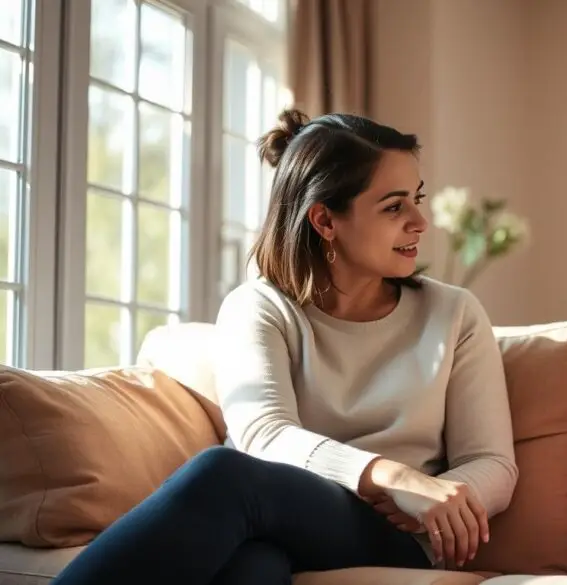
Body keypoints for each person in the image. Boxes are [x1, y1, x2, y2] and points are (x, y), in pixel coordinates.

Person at [52, 109, 518, 585]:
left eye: (416, 200)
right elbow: (267, 434)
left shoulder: (453, 313)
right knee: (252, 566)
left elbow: (493, 462)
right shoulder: (259, 306)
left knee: (223, 474)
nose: (421, 222)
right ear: (325, 221)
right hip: (268, 520)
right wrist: (395, 477)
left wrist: (436, 498)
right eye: (394, 207)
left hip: (388, 536)